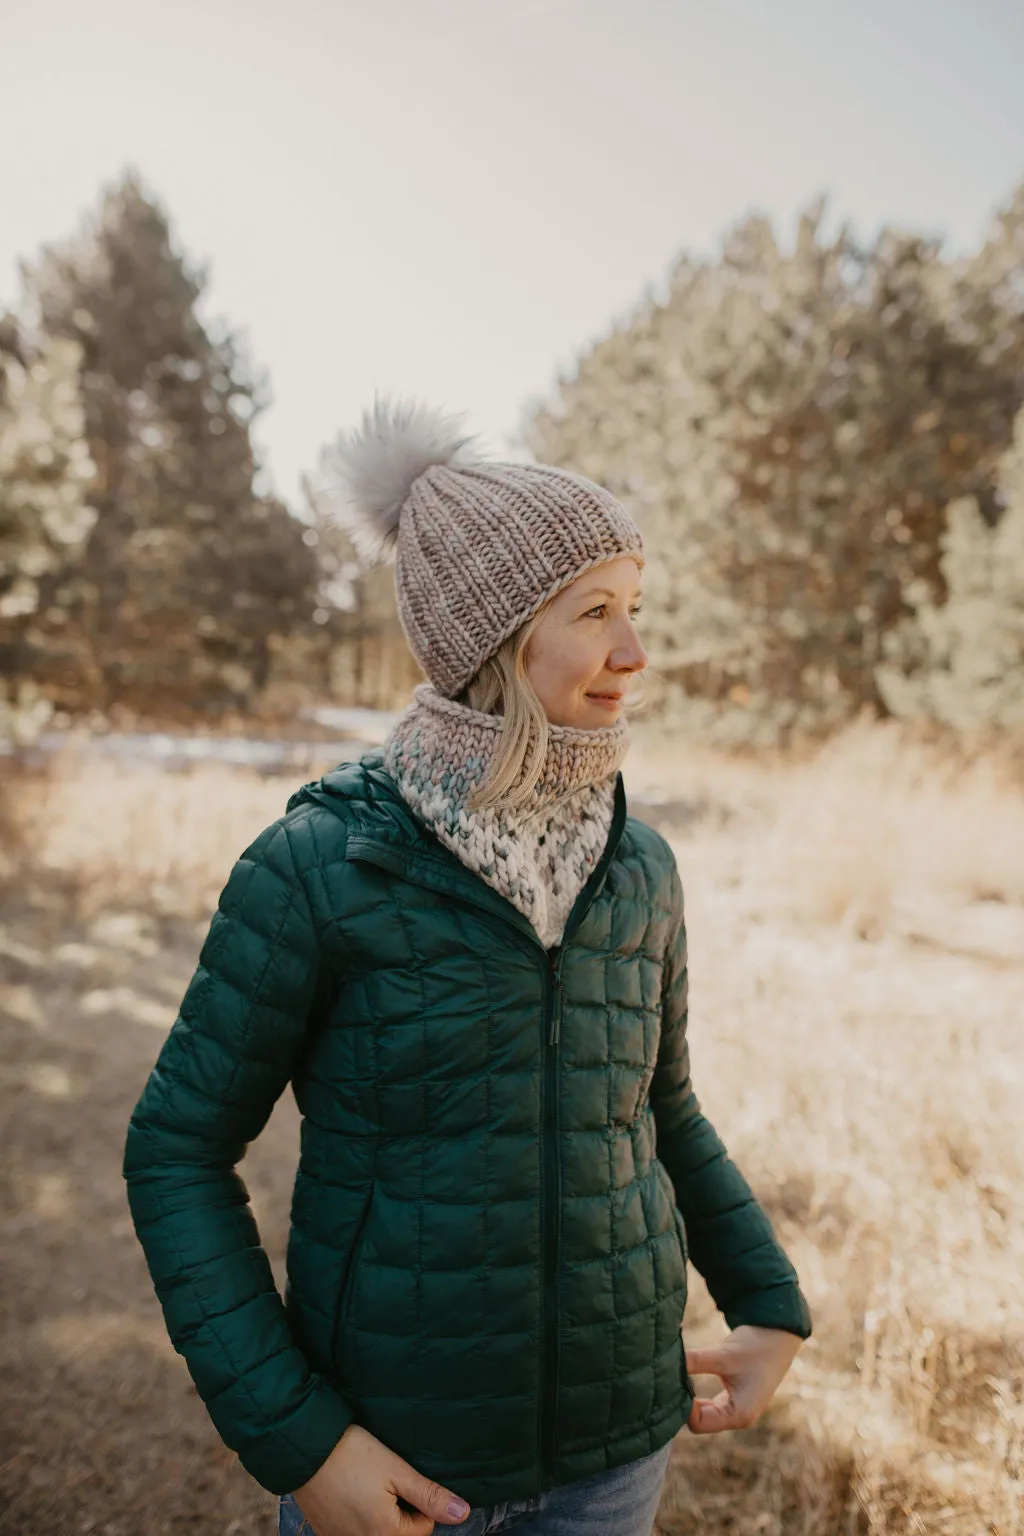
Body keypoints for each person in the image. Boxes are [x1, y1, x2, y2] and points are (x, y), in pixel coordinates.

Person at [123, 397, 812, 1536]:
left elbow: (663, 1108)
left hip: (615, 1454)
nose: (635, 653)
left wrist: (769, 1301)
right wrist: (300, 1443)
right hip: (392, 1462)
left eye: (636, 609)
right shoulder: (317, 865)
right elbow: (177, 1151)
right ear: (494, 638)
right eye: (596, 612)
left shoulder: (639, 866)